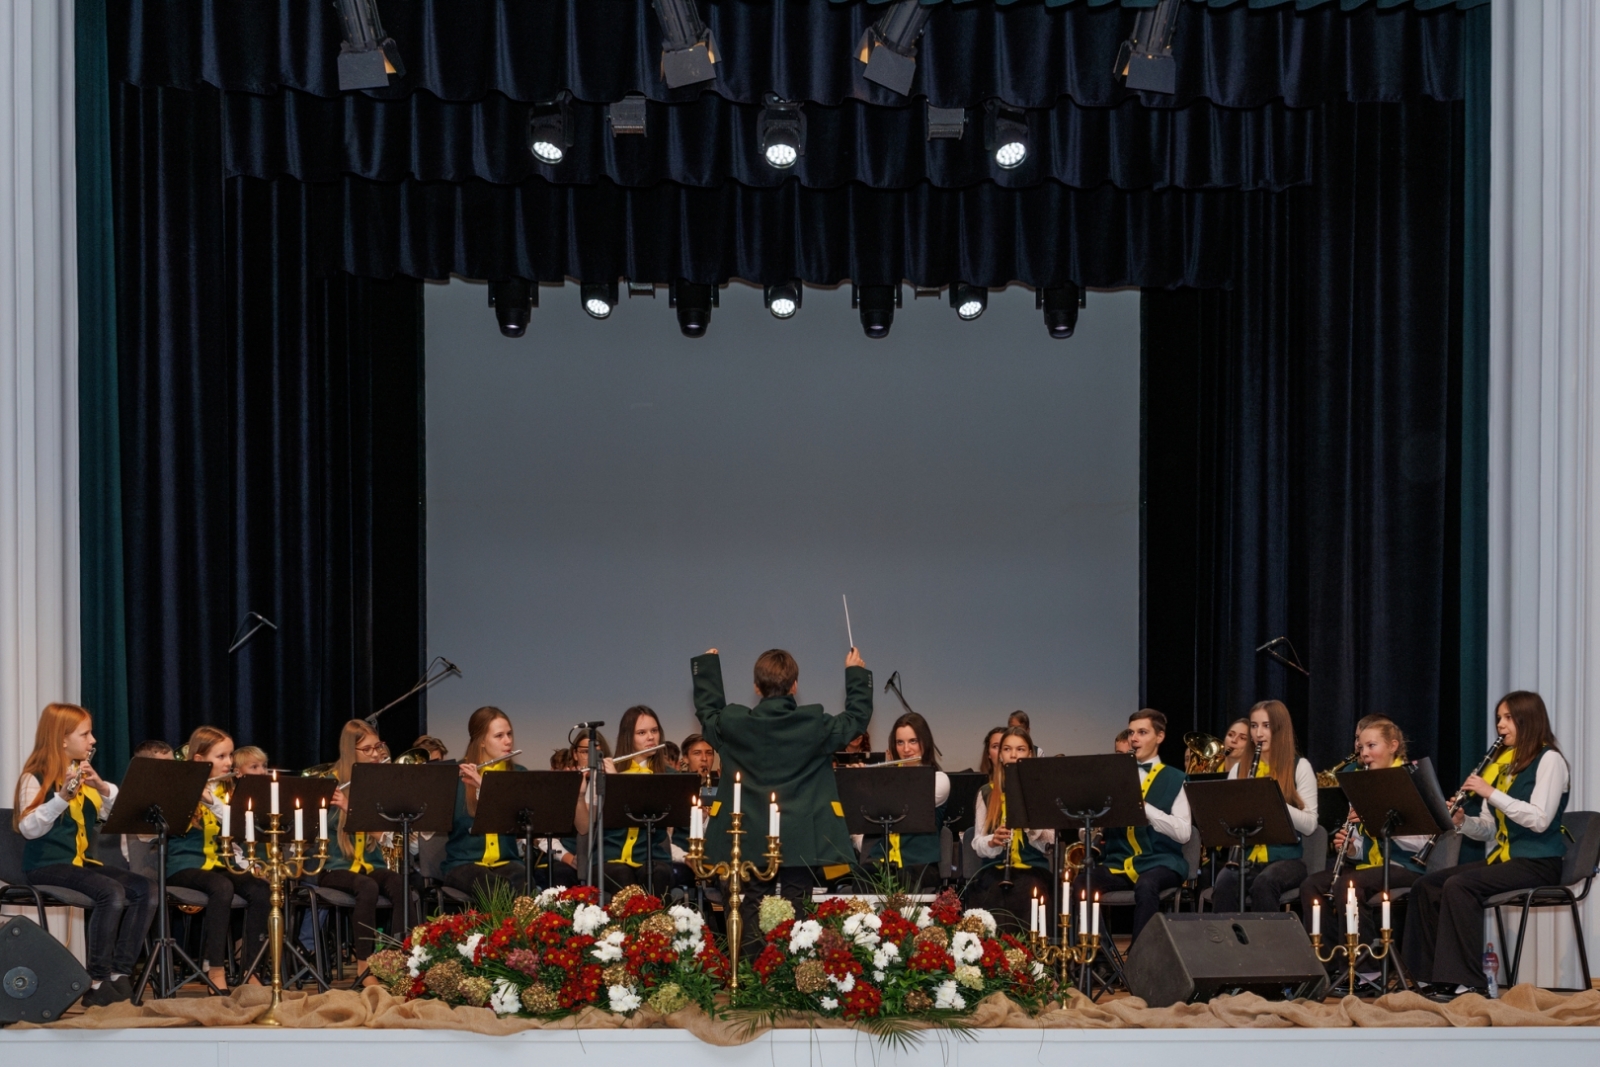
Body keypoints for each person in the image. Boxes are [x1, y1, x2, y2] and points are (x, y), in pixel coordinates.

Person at [691, 646, 872, 947]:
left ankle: (749, 975)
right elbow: (856, 718)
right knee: (796, 903)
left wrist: (709, 668)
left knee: (748, 905)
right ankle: (790, 974)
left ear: (756, 687)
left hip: (745, 833)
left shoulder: (735, 723)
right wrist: (855, 671)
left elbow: (708, 715)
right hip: (798, 835)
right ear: (795, 685)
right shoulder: (813, 723)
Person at [1403, 691, 1570, 999]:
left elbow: (1540, 819)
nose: (1500, 726)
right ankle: (1429, 978)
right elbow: (1490, 830)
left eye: (1508, 718)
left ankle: (1468, 982)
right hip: (1506, 860)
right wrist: (1462, 822)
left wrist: (1490, 792)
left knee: (1460, 885)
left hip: (1539, 862)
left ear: (1528, 721)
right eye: (1498, 719)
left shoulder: (1550, 760)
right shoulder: (1501, 764)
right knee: (1427, 886)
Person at [13, 703, 155, 1007]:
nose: (93, 741)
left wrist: (102, 787)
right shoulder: (34, 777)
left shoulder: (82, 775)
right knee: (111, 892)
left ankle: (120, 974)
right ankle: (96, 980)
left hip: (81, 864)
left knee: (146, 889)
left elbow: (107, 821)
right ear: (62, 739)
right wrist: (62, 797)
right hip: (46, 865)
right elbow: (28, 828)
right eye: (85, 734)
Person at [1297, 717, 1427, 945]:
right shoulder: (1364, 784)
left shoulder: (1410, 780)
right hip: (1370, 867)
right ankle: (1329, 962)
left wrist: (1376, 818)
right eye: (1361, 747)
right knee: (1312, 885)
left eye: (1371, 746)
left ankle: (1365, 966)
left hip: (1405, 865)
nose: (1363, 753)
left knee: (1349, 886)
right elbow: (1361, 850)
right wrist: (1350, 849)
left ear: (1393, 746)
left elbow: (1420, 843)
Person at [166, 726, 271, 992]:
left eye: (229, 756)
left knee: (261, 889)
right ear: (199, 760)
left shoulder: (228, 791)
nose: (229, 762)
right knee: (220, 887)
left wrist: (212, 800)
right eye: (221, 756)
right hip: (185, 865)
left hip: (223, 865)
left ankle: (251, 968)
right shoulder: (178, 787)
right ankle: (215, 970)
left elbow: (242, 827)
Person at [1071, 710, 1191, 941]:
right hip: (1120, 862)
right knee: (1082, 882)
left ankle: (1139, 962)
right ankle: (1103, 958)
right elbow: (1088, 825)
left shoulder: (1176, 778)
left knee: (1147, 885)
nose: (1134, 738)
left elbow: (1184, 833)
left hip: (1161, 862)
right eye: (1132, 732)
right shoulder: (1112, 778)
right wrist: (1088, 828)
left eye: (1142, 732)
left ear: (1160, 737)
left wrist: (1145, 808)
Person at [321, 721, 414, 984]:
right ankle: (365, 967)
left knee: (400, 884)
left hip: (371, 866)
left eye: (378, 747)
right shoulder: (330, 783)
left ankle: (401, 960)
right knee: (367, 887)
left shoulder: (378, 783)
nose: (376, 755)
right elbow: (313, 832)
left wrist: (354, 808)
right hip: (334, 868)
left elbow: (386, 836)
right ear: (351, 750)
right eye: (368, 749)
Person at [1212, 700, 1318, 912]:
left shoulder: (1300, 767)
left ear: (1280, 728)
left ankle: (1270, 945)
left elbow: (1310, 825)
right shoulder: (1239, 770)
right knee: (1224, 882)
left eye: (1266, 726)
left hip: (1287, 860)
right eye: (1254, 726)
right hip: (1247, 857)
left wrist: (1273, 802)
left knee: (1265, 883)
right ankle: (1227, 944)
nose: (1258, 733)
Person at [575, 705, 673, 892]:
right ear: (629, 737)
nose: (651, 737)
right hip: (608, 859)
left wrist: (617, 784)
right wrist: (580, 796)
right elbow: (584, 827)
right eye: (642, 733)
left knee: (657, 873)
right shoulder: (606, 771)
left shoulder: (667, 776)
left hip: (651, 856)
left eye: (654, 731)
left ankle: (656, 922)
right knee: (621, 875)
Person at [968, 727, 1055, 932]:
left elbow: (1049, 843)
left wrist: (1029, 827)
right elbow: (978, 843)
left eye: (1020, 749)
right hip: (996, 869)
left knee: (1027, 894)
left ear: (1030, 754)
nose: (1013, 754)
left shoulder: (1041, 792)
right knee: (986, 896)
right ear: (1000, 755)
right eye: (1007, 749)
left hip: (1032, 870)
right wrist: (993, 840)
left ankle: (1030, 960)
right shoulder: (987, 793)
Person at [442, 706, 530, 897]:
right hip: (463, 864)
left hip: (507, 861)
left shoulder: (518, 775)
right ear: (481, 741)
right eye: (499, 736)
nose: (508, 741)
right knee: (495, 889)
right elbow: (450, 822)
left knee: (526, 885)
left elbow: (519, 820)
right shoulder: (455, 777)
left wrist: (485, 787)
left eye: (509, 734)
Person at [856, 711, 950, 891]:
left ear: (925, 742)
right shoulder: (885, 780)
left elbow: (904, 801)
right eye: (900, 742)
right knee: (862, 876)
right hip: (882, 862)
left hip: (919, 865)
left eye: (913, 741)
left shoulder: (939, 780)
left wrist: (874, 781)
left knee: (903, 878)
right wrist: (858, 780)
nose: (906, 750)